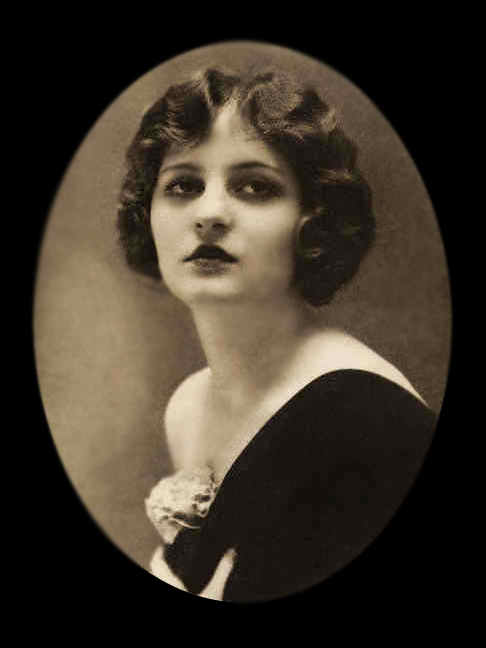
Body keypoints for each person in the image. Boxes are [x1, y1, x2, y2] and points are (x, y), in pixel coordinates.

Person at [117, 67, 436, 602]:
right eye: (183, 186)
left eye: (255, 187)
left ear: (313, 220)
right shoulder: (188, 407)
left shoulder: (369, 420)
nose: (209, 214)